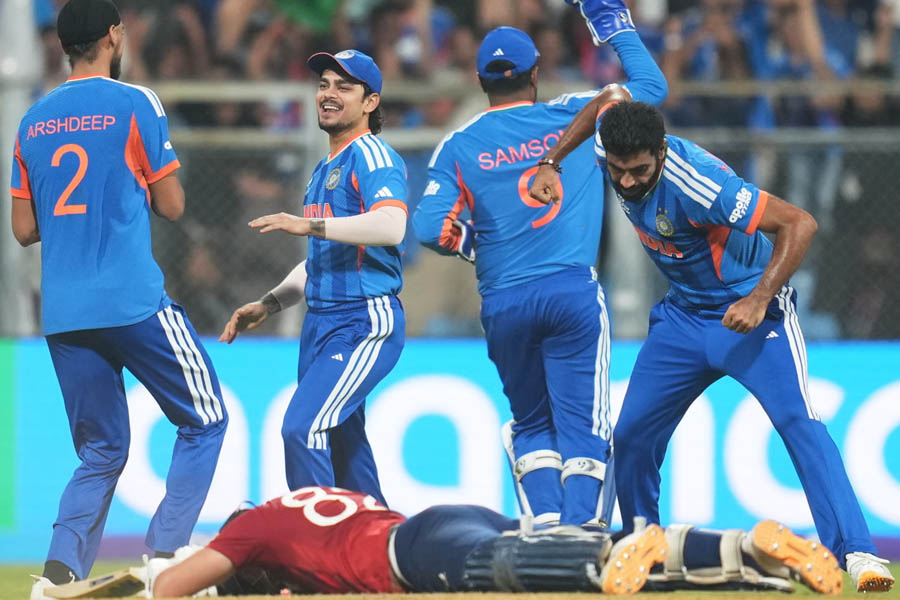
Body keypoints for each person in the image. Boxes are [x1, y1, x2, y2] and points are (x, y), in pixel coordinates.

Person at [529, 100, 895, 593]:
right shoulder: (608, 145)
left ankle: (859, 554)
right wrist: (551, 162)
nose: (629, 182)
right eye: (619, 172)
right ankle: (645, 549)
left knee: (799, 425)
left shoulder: (701, 184)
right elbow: (607, 100)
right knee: (633, 435)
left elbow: (799, 223)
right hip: (683, 317)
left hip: (748, 314)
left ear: (659, 152)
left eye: (639, 171)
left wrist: (760, 298)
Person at [412, 0, 666, 527]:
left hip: (504, 299)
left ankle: (547, 530)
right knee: (583, 426)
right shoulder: (571, 115)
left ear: (481, 81)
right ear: (535, 73)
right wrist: (610, 24)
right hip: (571, 291)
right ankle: (578, 536)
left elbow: (427, 229)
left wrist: (476, 245)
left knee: (530, 424)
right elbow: (651, 89)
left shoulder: (458, 144)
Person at [9, 0, 228, 597]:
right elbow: (173, 205)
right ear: (113, 36)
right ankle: (164, 555)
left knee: (101, 449)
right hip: (131, 300)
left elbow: (23, 228)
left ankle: (57, 577)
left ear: (62, 45)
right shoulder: (137, 103)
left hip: (64, 311)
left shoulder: (32, 120)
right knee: (205, 417)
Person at [219, 49, 407, 506]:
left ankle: (316, 552)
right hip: (322, 324)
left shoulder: (373, 156)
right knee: (345, 447)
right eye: (324, 84)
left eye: (344, 87)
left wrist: (309, 224)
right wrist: (269, 303)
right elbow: (321, 259)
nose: (328, 94)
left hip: (363, 319)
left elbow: (391, 226)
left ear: (370, 102)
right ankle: (383, 554)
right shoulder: (325, 169)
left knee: (303, 428)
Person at [145, 485, 845, 597]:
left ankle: (601, 563)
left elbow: (165, 587)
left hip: (411, 555)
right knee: (611, 540)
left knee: (504, 569)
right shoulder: (304, 503)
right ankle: (747, 549)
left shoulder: (251, 529)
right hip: (439, 517)